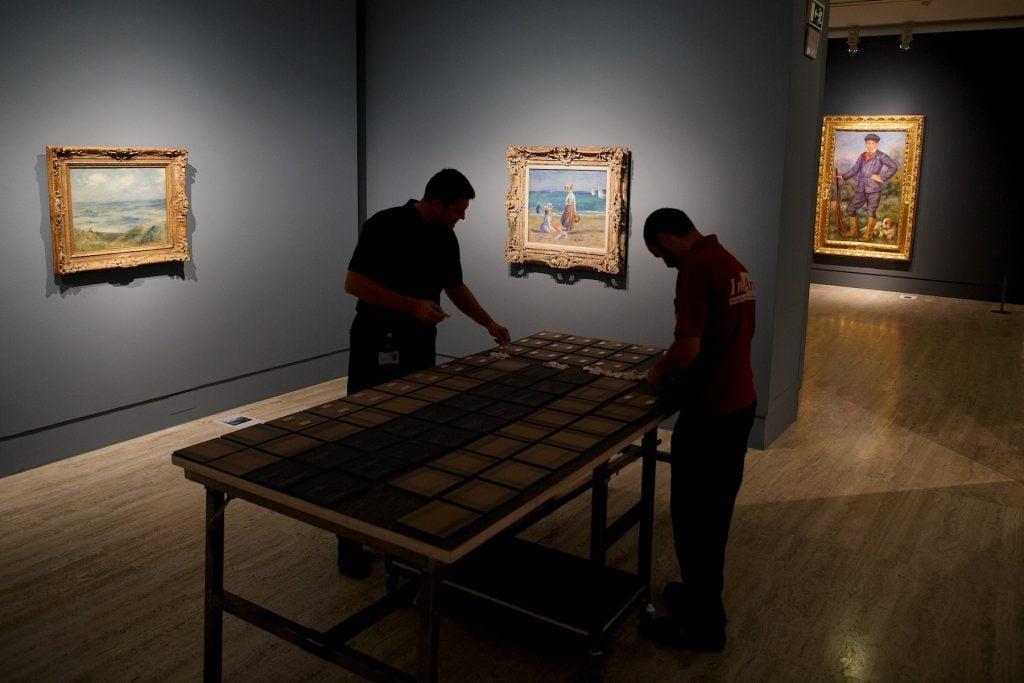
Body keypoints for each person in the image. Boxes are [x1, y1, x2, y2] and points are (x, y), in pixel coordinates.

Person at [338, 168, 511, 578]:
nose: (463, 217)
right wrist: (410, 305)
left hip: (418, 345)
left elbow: (454, 286)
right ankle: (349, 541)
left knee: (413, 437)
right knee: (364, 438)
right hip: (376, 342)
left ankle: (405, 531)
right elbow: (354, 283)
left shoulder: (445, 237)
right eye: (460, 209)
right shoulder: (383, 225)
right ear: (438, 202)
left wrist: (488, 322)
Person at [641, 208, 757, 653]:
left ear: (667, 240)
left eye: (658, 255)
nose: (663, 263)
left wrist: (658, 372)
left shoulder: (695, 269)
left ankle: (706, 628)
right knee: (716, 515)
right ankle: (696, 596)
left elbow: (687, 348)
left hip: (710, 413)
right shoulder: (731, 263)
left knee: (695, 522)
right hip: (740, 402)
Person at [836, 133, 897, 241]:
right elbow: (855, 169)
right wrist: (843, 177)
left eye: (872, 143)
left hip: (874, 189)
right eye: (868, 143)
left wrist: (882, 178)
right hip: (861, 187)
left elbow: (893, 166)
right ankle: (853, 232)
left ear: (876, 143)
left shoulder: (881, 156)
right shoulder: (862, 155)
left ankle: (867, 235)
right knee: (851, 208)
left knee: (871, 211)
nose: (869, 145)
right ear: (865, 143)